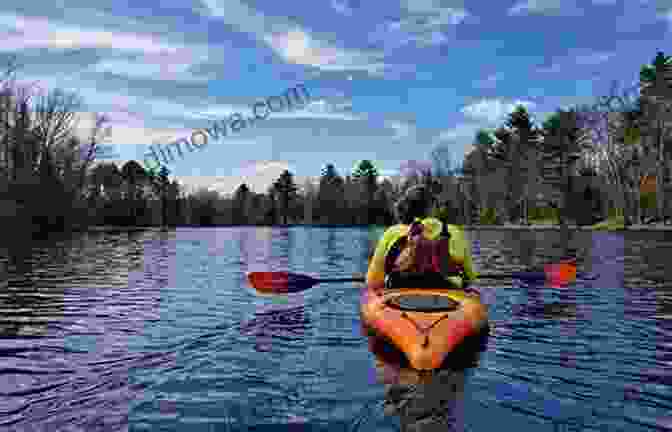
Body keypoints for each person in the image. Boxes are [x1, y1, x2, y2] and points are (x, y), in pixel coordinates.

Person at [366, 185, 478, 293]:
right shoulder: (453, 232)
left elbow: (373, 280)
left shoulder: (392, 233)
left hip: (400, 292)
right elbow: (471, 277)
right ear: (432, 208)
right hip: (448, 291)